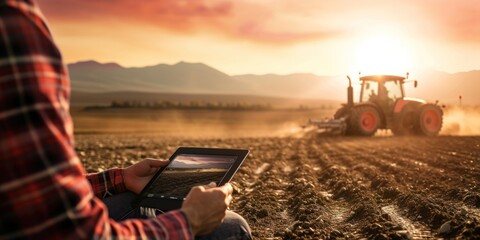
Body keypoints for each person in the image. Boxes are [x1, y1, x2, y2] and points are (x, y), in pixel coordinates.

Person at [0, 0, 252, 239]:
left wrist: (118, 179)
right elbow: (74, 234)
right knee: (231, 227)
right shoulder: (12, 23)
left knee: (130, 198)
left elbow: (30, 194)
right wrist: (190, 221)